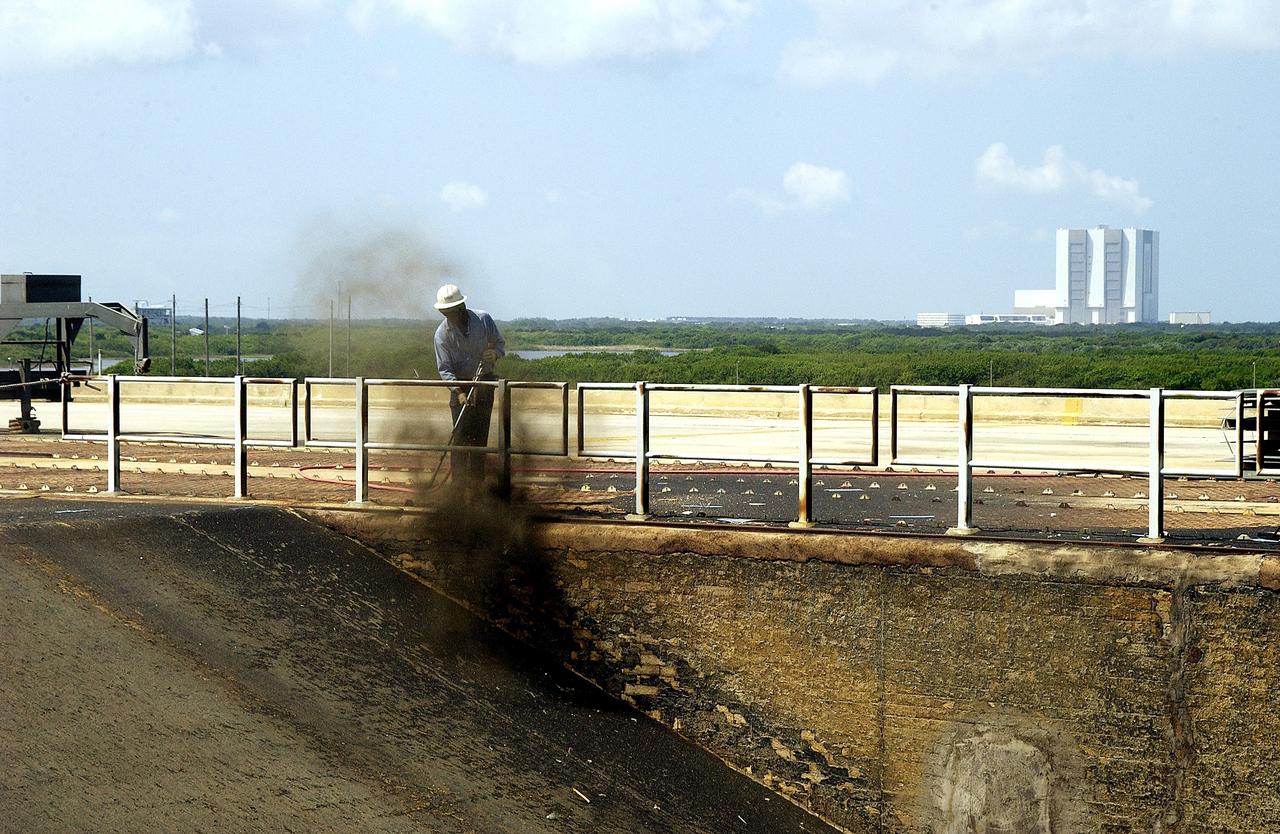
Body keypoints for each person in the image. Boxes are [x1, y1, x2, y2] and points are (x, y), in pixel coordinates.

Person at [433, 283, 505, 488]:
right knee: (460, 439)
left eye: (451, 312)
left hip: (484, 383)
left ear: (461, 308)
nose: (449, 317)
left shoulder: (483, 320)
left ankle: (476, 486)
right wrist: (459, 392)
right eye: (444, 313)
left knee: (479, 438)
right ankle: (458, 488)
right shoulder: (441, 335)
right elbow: (445, 369)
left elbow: (499, 344)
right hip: (460, 387)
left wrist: (495, 353)